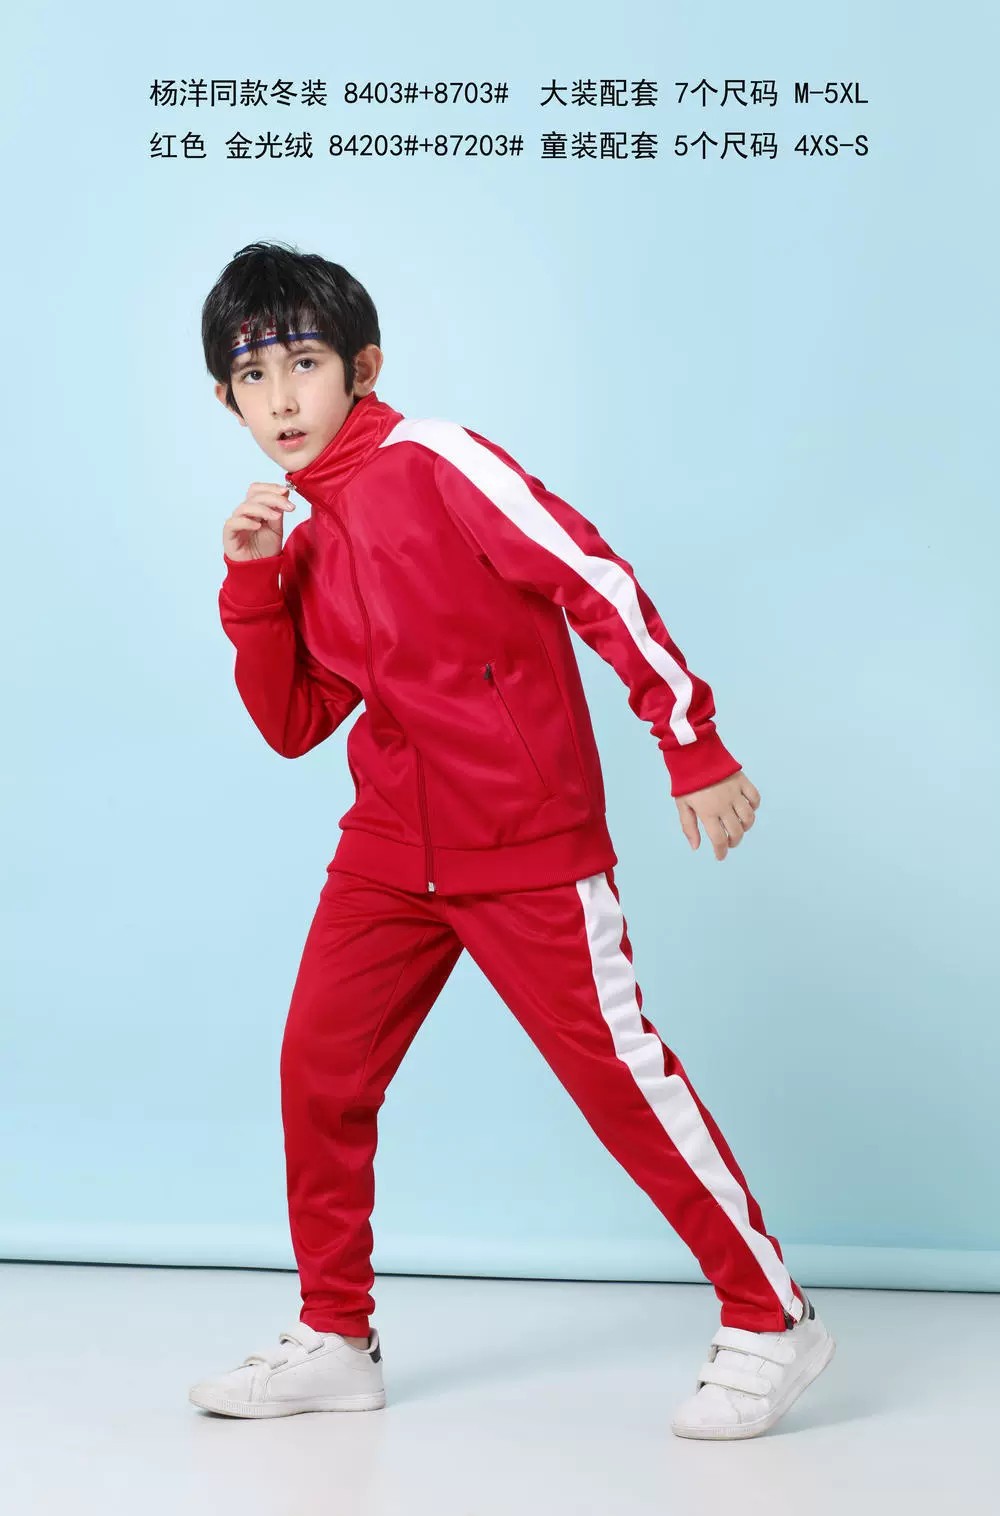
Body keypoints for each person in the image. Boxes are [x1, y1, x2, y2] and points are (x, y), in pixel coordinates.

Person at [187, 240, 835, 1439]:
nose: (280, 398)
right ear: (226, 400)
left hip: (523, 837)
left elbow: (593, 576)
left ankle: (771, 1317)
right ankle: (335, 1337)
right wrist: (253, 586)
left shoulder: (440, 461)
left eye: (304, 363)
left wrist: (688, 739)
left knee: (619, 1080)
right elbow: (294, 724)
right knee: (318, 1069)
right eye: (252, 376)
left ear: (363, 368)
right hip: (390, 846)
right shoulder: (305, 537)